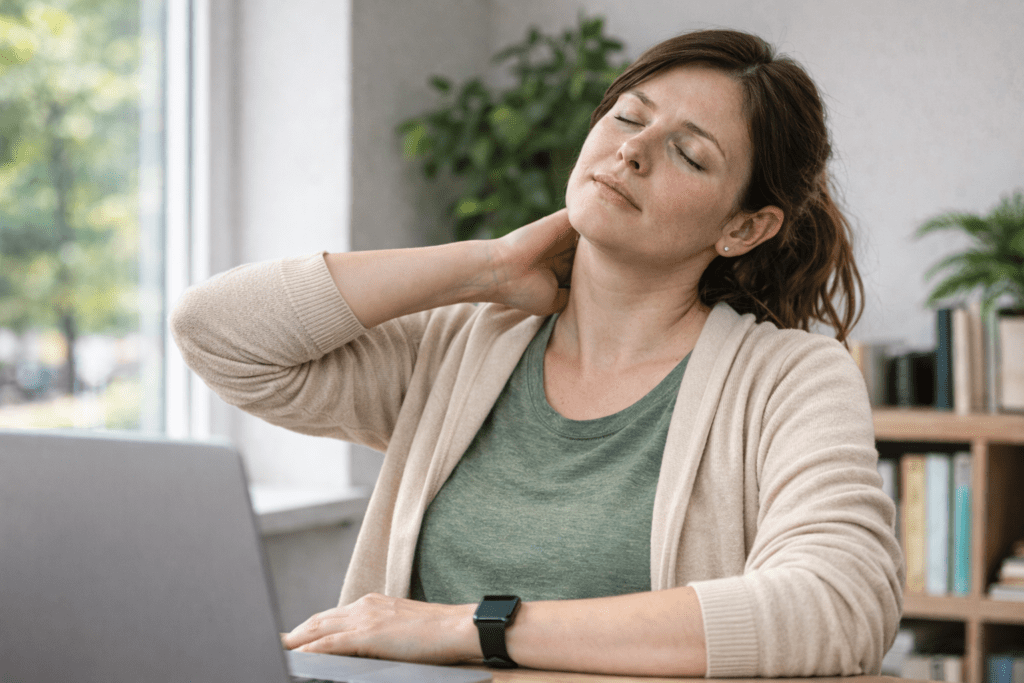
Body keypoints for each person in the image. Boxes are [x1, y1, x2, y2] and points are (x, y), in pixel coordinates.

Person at [171, 28, 903, 678]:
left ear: (744, 228)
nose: (633, 151)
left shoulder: (790, 380)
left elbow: (837, 603)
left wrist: (473, 627)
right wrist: (485, 266)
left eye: (687, 152)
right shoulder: (462, 345)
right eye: (628, 117)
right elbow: (218, 331)